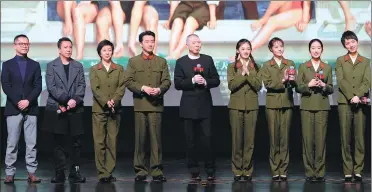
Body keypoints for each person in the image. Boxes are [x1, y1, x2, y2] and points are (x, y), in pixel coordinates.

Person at [124, 31, 171, 182]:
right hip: (140, 105)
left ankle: (156, 171)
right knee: (140, 139)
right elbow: (129, 81)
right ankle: (140, 171)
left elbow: (166, 81)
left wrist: (159, 90)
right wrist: (143, 88)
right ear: (141, 44)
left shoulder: (161, 61)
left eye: (152, 41)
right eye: (147, 41)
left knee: (156, 140)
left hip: (156, 106)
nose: (150, 43)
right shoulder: (133, 61)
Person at [174, 34, 220, 181]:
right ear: (187, 45)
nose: (197, 45)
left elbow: (216, 80)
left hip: (205, 106)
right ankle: (194, 170)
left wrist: (206, 82)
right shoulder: (181, 62)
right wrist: (192, 80)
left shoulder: (207, 59)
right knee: (190, 141)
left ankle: (210, 169)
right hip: (188, 107)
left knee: (207, 140)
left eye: (199, 42)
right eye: (194, 43)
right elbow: (177, 83)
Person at [42, 37, 86, 183]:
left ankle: (75, 173)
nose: (68, 49)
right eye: (65, 47)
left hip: (75, 109)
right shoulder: (51, 66)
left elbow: (81, 86)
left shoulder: (78, 66)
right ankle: (59, 173)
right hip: (57, 108)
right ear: (59, 49)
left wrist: (75, 100)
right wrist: (68, 100)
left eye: (70, 47)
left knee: (76, 142)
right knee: (58, 142)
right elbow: (52, 87)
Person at [1, 34, 42, 184]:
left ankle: (31, 172)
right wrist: (19, 101)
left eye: (27, 44)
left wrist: (28, 101)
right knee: (12, 142)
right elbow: (6, 86)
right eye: (21, 44)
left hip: (31, 109)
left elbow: (38, 86)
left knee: (31, 142)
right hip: (13, 108)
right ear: (15, 45)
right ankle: (10, 173)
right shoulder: (7, 65)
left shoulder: (35, 65)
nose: (25, 46)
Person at [295, 39, 333, 182]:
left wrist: (324, 85)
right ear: (309, 50)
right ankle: (310, 172)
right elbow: (298, 87)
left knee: (321, 141)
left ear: (322, 50)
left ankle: (320, 172)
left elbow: (331, 88)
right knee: (308, 140)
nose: (316, 50)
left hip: (322, 107)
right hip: (306, 106)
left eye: (318, 48)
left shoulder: (327, 67)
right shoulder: (304, 66)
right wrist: (308, 85)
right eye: (313, 48)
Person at [335, 30, 371, 182]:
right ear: (344, 45)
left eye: (352, 41)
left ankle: (358, 170)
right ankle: (347, 170)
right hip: (345, 102)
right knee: (345, 137)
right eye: (347, 43)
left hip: (361, 103)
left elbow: (368, 81)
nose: (351, 45)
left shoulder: (366, 61)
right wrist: (352, 96)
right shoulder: (340, 60)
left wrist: (358, 95)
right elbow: (341, 80)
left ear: (357, 41)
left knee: (360, 138)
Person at [259, 37, 296, 181]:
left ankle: (284, 170)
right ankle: (275, 169)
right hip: (272, 104)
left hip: (287, 103)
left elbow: (294, 84)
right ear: (271, 49)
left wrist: (292, 80)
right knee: (274, 138)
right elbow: (268, 84)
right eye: (276, 47)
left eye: (281, 46)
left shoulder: (290, 63)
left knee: (285, 138)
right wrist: (283, 80)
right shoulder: (267, 65)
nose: (279, 49)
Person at [90, 40, 126, 183]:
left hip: (115, 111)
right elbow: (95, 88)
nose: (107, 52)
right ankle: (102, 173)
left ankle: (109, 171)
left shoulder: (119, 68)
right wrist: (106, 101)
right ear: (100, 52)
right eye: (104, 50)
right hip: (99, 110)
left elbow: (122, 87)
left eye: (109, 50)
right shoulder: (94, 69)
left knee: (112, 142)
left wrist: (114, 101)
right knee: (99, 142)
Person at [227, 39, 261, 182]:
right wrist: (242, 74)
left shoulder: (256, 67)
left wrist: (249, 73)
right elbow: (231, 85)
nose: (246, 51)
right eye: (243, 49)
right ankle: (237, 170)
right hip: (236, 106)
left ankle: (247, 170)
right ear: (238, 51)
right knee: (237, 140)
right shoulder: (232, 66)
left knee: (249, 141)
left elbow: (258, 86)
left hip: (252, 107)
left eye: (248, 49)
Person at [95, 1, 159, 57]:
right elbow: (115, 6)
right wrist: (119, 43)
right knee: (102, 21)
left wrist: (132, 43)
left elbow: (138, 5)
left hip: (141, 8)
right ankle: (107, 65)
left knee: (151, 18)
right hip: (116, 9)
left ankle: (150, 63)